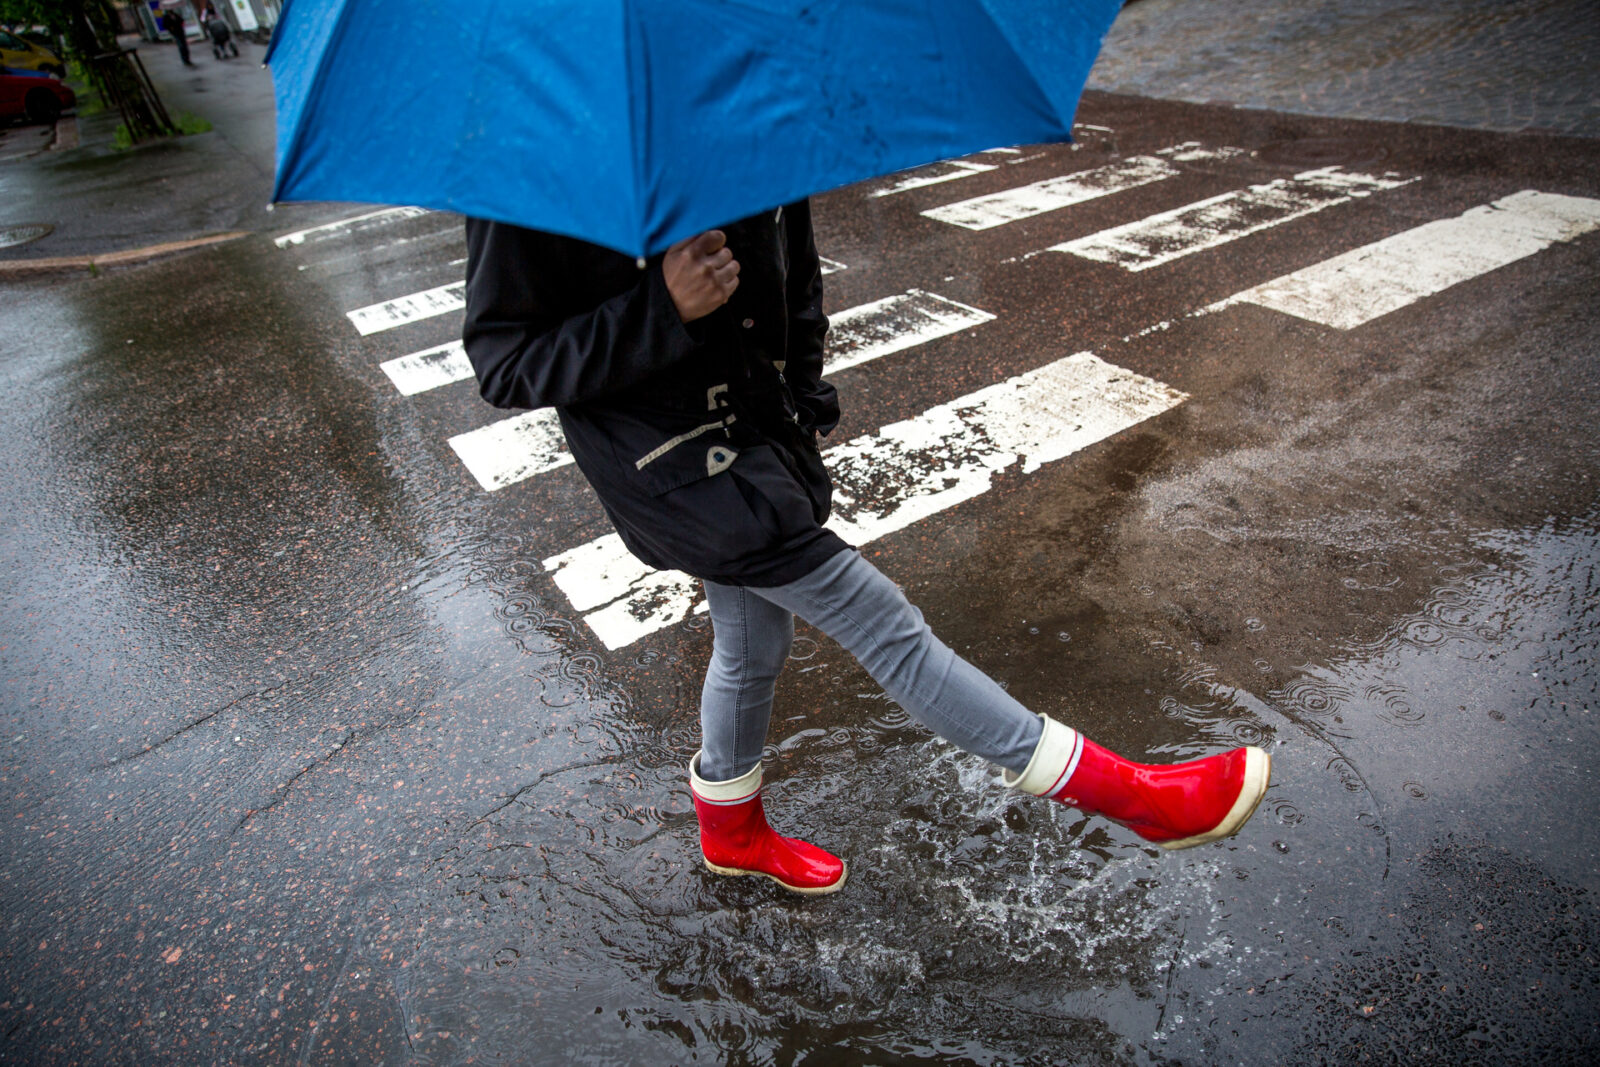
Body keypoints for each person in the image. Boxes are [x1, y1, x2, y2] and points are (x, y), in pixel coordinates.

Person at [462, 205, 1271, 896]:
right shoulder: (538, 160)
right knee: (886, 626)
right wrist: (662, 307)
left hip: (759, 426)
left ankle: (731, 830)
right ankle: (1136, 798)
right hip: (668, 462)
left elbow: (792, 268)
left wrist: (804, 393)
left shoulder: (744, 100)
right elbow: (506, 361)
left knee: (752, 639)